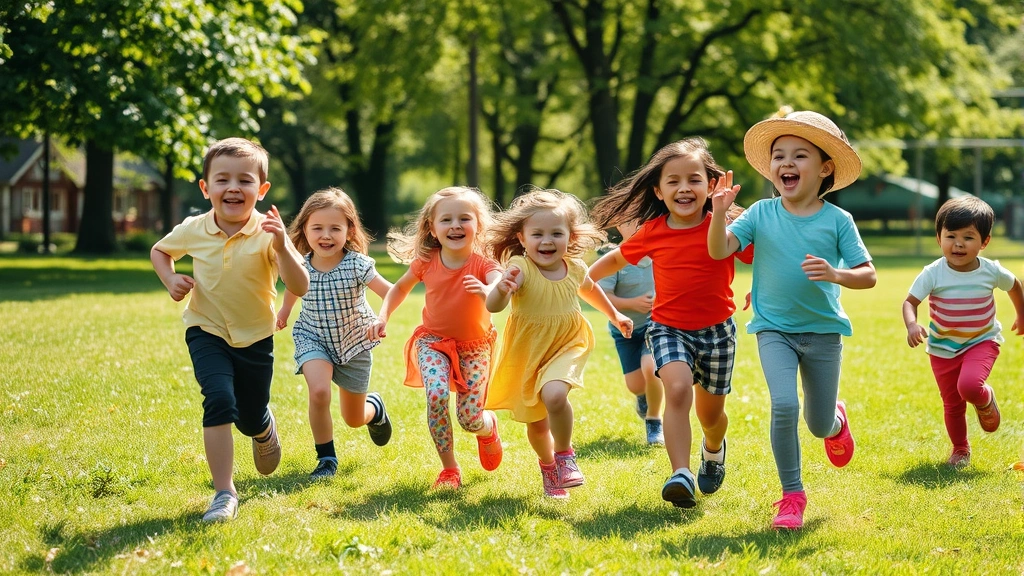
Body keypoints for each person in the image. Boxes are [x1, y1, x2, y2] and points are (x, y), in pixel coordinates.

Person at [708, 108, 877, 530]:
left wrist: (837, 273)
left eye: (799, 155)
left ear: (825, 169)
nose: (786, 162)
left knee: (818, 424)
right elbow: (719, 250)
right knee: (784, 405)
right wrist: (717, 212)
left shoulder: (839, 220)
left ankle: (835, 419)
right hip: (773, 328)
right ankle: (792, 496)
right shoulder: (761, 214)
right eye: (779, 155)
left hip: (823, 333)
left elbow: (868, 275)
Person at [150, 137, 310, 522]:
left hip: (256, 335)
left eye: (244, 180)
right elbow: (160, 250)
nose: (233, 188)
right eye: (222, 180)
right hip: (205, 329)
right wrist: (170, 279)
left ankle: (262, 426)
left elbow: (300, 286)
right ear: (206, 188)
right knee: (219, 398)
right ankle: (224, 493)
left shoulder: (269, 233)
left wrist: (284, 245)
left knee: (249, 414)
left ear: (262, 189)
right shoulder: (194, 228)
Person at [589, 138, 753, 509]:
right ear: (658, 192)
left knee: (711, 415)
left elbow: (765, 256)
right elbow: (615, 261)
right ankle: (681, 474)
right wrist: (582, 279)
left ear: (711, 186)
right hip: (668, 328)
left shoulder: (725, 227)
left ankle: (713, 450)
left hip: (717, 332)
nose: (684, 188)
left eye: (694, 179)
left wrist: (759, 292)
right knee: (677, 390)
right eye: (673, 181)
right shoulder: (654, 231)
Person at [486, 188, 633, 499]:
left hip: (568, 341)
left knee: (554, 396)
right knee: (537, 425)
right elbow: (493, 306)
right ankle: (548, 466)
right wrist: (502, 289)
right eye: (537, 234)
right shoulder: (520, 267)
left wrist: (615, 313)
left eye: (556, 233)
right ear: (522, 238)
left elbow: (590, 290)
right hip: (529, 350)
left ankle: (565, 456)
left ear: (570, 235)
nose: (547, 241)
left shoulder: (575, 267)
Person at [367, 186, 504, 490]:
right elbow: (399, 288)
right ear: (432, 227)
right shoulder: (427, 261)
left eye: (464, 219)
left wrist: (491, 290)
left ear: (478, 225)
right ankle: (450, 469)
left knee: (469, 418)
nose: (455, 225)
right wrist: (382, 316)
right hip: (433, 342)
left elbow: (497, 285)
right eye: (446, 220)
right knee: (437, 395)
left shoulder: (484, 264)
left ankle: (487, 427)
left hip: (475, 349)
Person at [275, 188, 395, 481]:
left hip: (354, 341)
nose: (325, 235)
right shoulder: (300, 263)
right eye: (317, 228)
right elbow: (294, 287)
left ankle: (374, 408)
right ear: (305, 229)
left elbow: (390, 291)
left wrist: (382, 318)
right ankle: (326, 459)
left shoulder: (356, 264)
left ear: (349, 231)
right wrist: (284, 312)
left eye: (335, 228)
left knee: (353, 419)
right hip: (313, 336)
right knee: (318, 392)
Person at [903, 196, 1024, 468]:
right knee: (952, 404)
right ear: (939, 237)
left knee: (969, 386)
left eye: (968, 237)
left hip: (982, 341)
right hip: (942, 348)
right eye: (951, 236)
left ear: (985, 242)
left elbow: (1014, 285)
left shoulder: (990, 271)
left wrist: (1021, 314)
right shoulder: (933, 273)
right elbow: (910, 302)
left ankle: (984, 398)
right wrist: (912, 324)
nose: (958, 244)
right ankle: (960, 449)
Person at [596, 221, 665, 446]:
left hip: (655, 325)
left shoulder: (659, 253)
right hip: (624, 330)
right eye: (629, 221)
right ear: (619, 226)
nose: (636, 225)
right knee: (635, 385)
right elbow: (602, 295)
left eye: (642, 219)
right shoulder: (614, 259)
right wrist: (633, 304)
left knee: (651, 368)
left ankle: (654, 421)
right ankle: (643, 398)